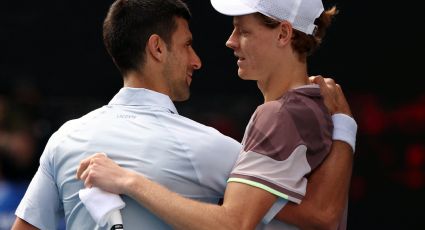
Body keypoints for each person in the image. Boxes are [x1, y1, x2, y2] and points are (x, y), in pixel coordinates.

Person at [13, 0, 355, 229]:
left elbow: (243, 221)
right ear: (157, 48)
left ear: (284, 33)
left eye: (243, 30)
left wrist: (128, 181)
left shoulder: (64, 138)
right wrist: (344, 129)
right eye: (188, 45)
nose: (200, 58)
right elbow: (322, 214)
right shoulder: (213, 148)